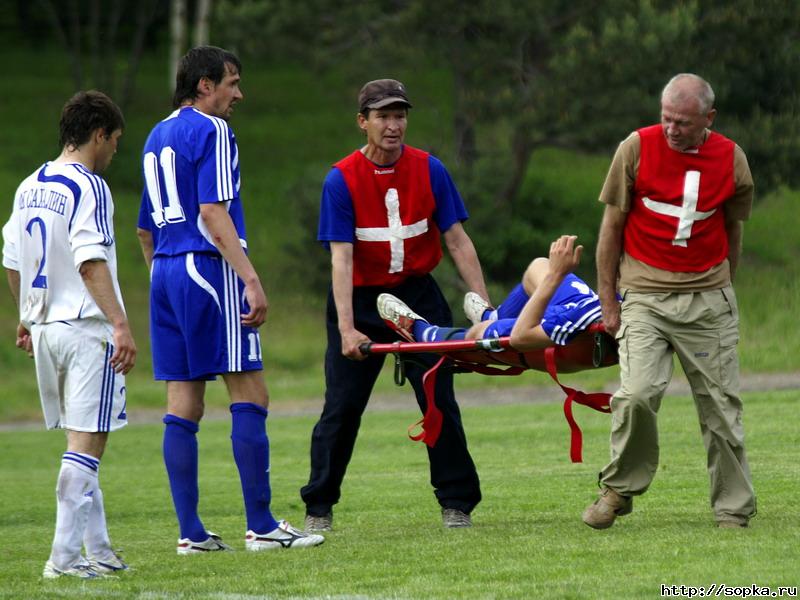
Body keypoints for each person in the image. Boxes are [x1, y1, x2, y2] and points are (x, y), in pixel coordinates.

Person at [136, 46, 323, 553]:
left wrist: (167, 281)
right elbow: (214, 212)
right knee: (250, 393)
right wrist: (251, 278)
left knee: (183, 403)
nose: (238, 94)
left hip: (166, 273)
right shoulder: (213, 130)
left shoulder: (156, 135)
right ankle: (261, 526)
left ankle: (190, 534)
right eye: (232, 82)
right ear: (204, 85)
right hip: (208, 267)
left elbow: (144, 230)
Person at [302, 79, 490, 530]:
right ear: (362, 122)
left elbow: (458, 240)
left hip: (418, 296)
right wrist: (347, 329)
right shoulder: (340, 179)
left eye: (400, 115)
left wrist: (486, 309)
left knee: (438, 399)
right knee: (342, 406)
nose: (393, 125)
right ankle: (319, 508)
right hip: (361, 300)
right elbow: (341, 258)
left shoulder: (430, 169)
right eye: (383, 116)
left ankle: (456, 503)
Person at [584, 73, 756, 529]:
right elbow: (610, 231)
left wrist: (723, 288)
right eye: (666, 119)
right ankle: (619, 490)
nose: (672, 129)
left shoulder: (732, 159)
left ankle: (732, 509)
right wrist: (609, 303)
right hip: (644, 295)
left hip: (708, 298)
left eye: (682, 122)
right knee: (637, 395)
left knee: (720, 407)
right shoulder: (636, 149)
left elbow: (733, 230)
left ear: (708, 119)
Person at [2, 91, 134, 579]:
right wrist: (120, 323)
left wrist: (24, 316)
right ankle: (63, 557)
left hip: (45, 330)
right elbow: (90, 259)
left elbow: (13, 260)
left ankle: (97, 548)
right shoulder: (89, 186)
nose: (115, 151)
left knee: (80, 442)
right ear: (99, 134)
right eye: (115, 141)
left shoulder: (28, 185)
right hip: (84, 327)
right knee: (86, 446)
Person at [377, 235, 601, 352]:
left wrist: (556, 276)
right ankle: (491, 317)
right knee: (538, 266)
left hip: (579, 315)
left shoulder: (575, 319)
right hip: (592, 304)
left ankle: (422, 332)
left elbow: (521, 337)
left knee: (478, 332)